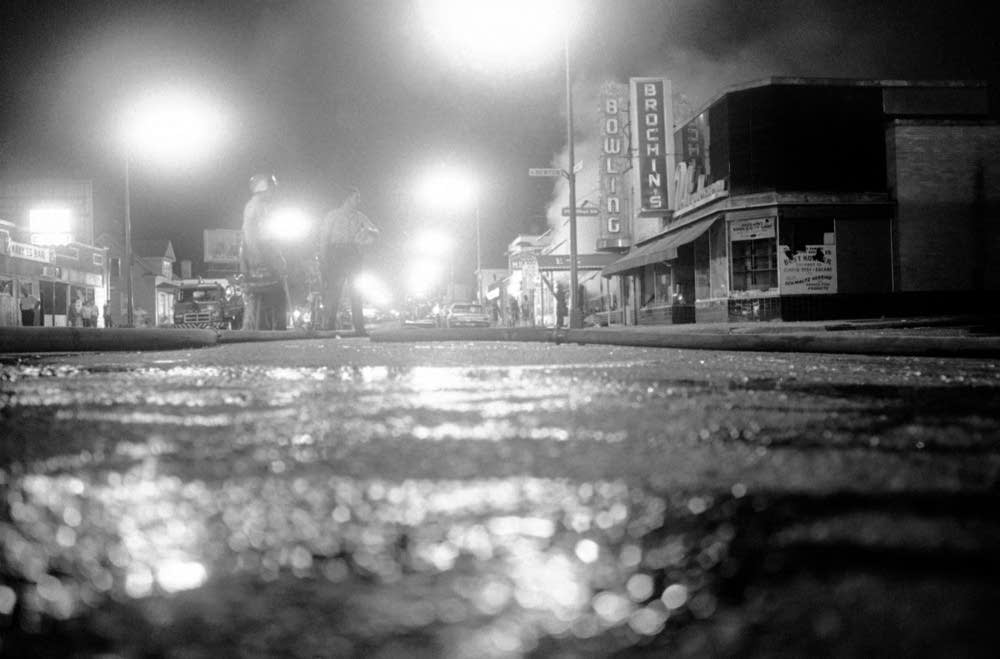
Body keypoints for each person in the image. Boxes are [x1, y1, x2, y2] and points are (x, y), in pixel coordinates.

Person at [317, 186, 378, 334]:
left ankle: (359, 326)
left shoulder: (360, 217)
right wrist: (323, 258)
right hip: (336, 253)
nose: (359, 201)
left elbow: (376, 232)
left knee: (356, 291)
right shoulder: (333, 216)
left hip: (353, 253)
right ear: (347, 198)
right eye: (356, 198)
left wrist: (367, 233)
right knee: (334, 291)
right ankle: (329, 326)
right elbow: (324, 239)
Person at [239, 173, 289, 330]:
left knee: (270, 296)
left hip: (266, 253)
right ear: (263, 189)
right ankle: (272, 331)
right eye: (271, 189)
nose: (273, 192)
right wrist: (256, 257)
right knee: (275, 295)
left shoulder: (264, 207)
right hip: (261, 255)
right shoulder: (254, 207)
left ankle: (265, 330)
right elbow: (250, 235)